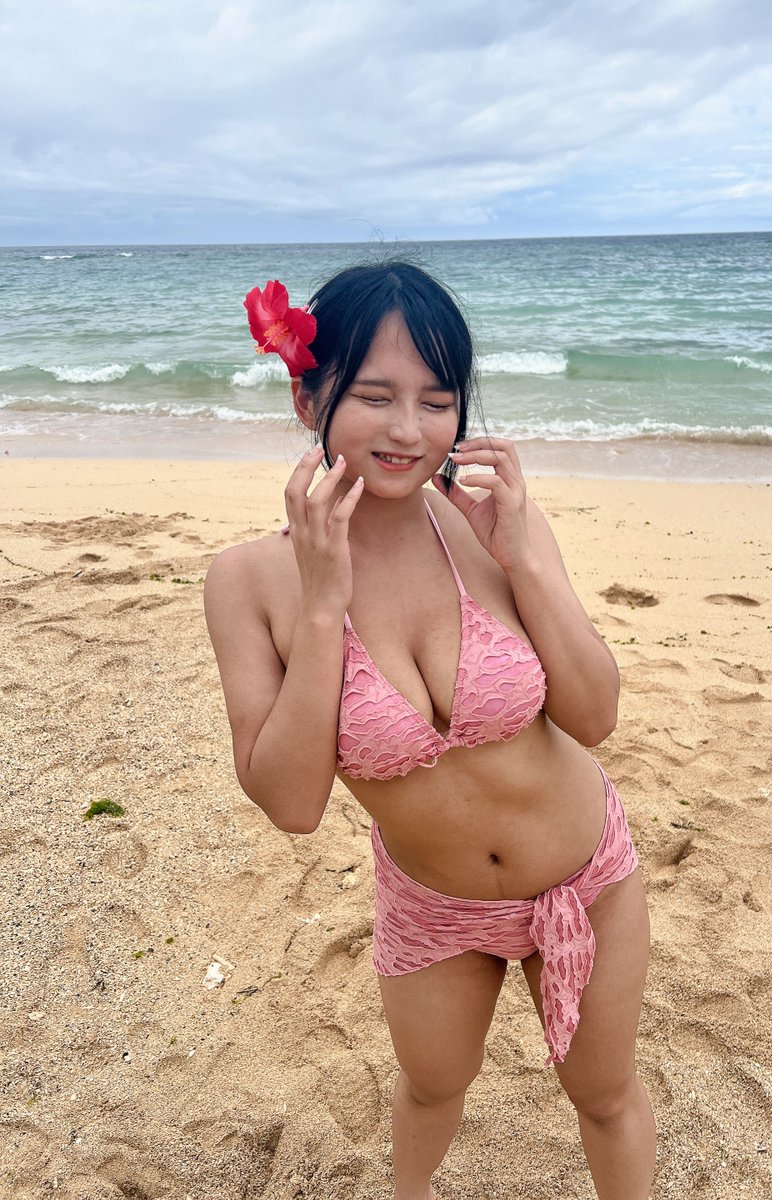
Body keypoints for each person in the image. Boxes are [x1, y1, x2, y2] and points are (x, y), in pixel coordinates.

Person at [204, 261, 656, 1199]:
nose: (409, 430)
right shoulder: (248, 583)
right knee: (434, 1087)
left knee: (605, 1095)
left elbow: (596, 715)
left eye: (437, 401)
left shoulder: (487, 527)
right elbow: (291, 804)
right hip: (435, 907)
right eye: (375, 397)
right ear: (308, 398)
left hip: (586, 874)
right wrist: (323, 608)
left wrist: (527, 559)